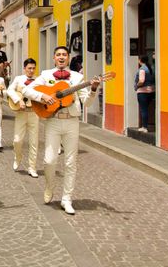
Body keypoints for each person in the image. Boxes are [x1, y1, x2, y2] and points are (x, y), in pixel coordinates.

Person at [23, 45, 99, 215]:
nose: (62, 57)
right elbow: (27, 90)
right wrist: (43, 96)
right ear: (54, 58)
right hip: (53, 122)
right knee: (49, 160)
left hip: (72, 122)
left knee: (71, 162)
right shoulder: (46, 75)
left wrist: (93, 89)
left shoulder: (78, 78)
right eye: (58, 55)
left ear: (69, 57)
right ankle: (49, 186)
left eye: (65, 54)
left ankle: (67, 199)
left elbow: (86, 103)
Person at [6, 58, 39, 178]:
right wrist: (18, 100)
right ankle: (17, 156)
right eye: (29, 68)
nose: (31, 70)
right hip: (21, 113)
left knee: (34, 142)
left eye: (33, 68)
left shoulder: (39, 80)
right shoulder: (18, 79)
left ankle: (32, 167)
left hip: (34, 113)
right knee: (17, 140)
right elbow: (9, 90)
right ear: (24, 68)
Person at [135, 55, 155, 133]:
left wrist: (137, 85)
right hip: (151, 91)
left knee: (144, 109)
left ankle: (144, 127)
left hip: (143, 92)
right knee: (147, 109)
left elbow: (141, 80)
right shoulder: (151, 68)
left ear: (140, 60)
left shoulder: (142, 69)